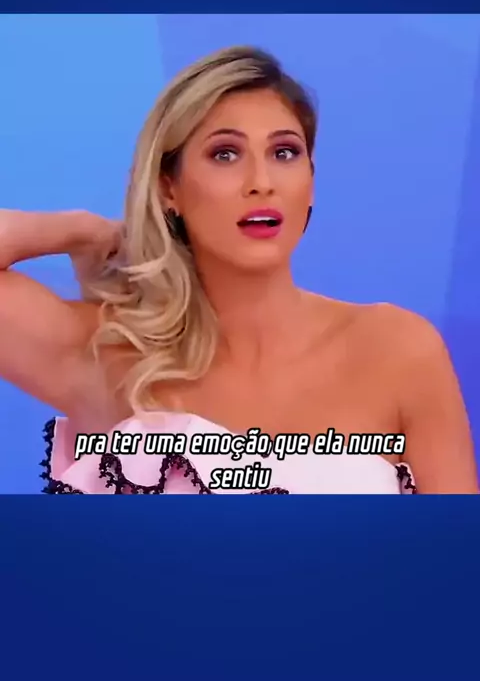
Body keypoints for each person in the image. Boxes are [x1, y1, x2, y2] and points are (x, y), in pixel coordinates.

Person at [0, 46, 477, 494]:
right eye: (225, 154)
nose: (261, 183)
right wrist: (82, 231)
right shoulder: (108, 356)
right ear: (168, 189)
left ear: (311, 182)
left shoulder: (397, 351)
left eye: (284, 153)